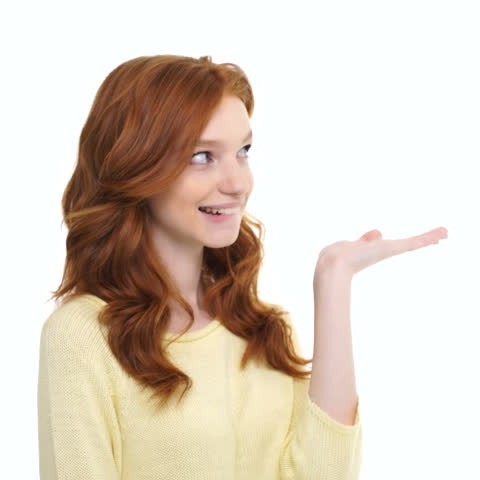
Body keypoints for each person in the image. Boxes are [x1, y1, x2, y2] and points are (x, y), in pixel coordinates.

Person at [37, 54, 448, 480]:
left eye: (243, 152)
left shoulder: (262, 329)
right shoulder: (83, 336)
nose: (238, 183)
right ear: (135, 165)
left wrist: (334, 279)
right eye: (202, 156)